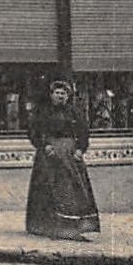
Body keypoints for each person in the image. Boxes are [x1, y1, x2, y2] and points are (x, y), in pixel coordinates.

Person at [26, 80, 101, 241]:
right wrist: (43, 145)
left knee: (73, 188)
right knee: (48, 188)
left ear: (68, 96)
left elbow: (83, 131)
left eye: (63, 93)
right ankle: (45, 226)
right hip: (49, 156)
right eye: (57, 93)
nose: (60, 96)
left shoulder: (75, 112)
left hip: (70, 155)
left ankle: (73, 227)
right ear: (51, 95)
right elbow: (34, 131)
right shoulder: (43, 112)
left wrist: (81, 149)